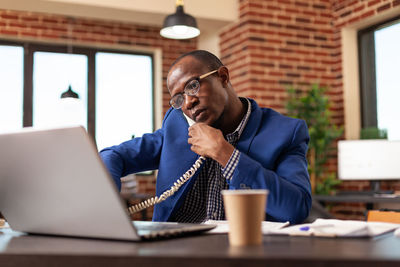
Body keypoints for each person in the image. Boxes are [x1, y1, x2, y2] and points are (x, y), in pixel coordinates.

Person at [100, 50, 311, 224]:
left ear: (223, 77)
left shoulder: (285, 132)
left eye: (193, 86)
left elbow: (296, 208)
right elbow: (112, 156)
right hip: (175, 252)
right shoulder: (178, 124)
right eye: (178, 99)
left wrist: (226, 154)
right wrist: (106, 207)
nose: (188, 103)